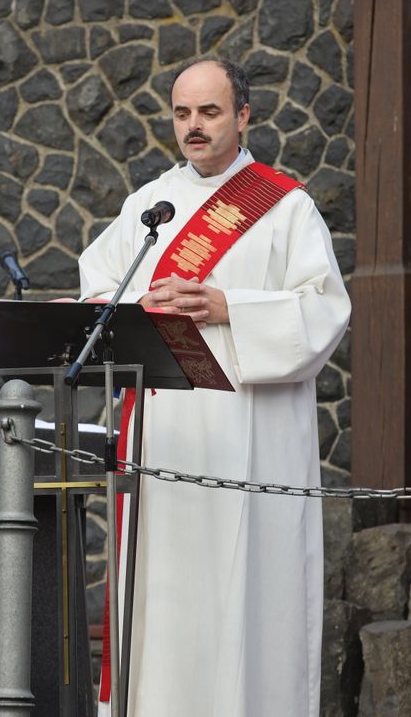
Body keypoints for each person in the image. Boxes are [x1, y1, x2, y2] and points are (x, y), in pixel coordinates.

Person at [79, 58, 351, 717]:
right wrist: (134, 306)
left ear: (243, 116)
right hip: (165, 444)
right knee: (168, 613)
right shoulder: (150, 205)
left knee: (245, 603)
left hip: (249, 440)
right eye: (182, 114)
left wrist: (229, 307)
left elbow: (325, 312)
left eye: (209, 112)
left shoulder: (284, 206)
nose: (194, 127)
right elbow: (98, 294)